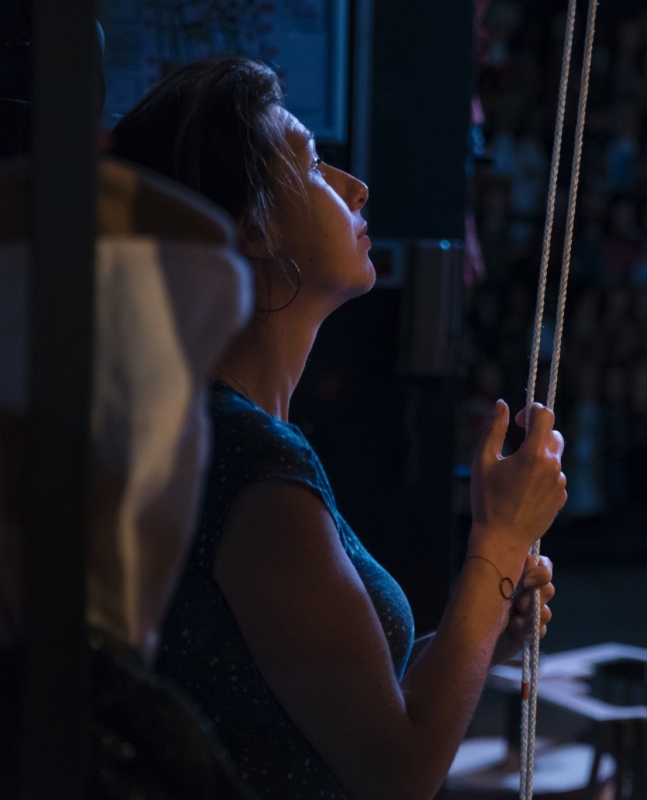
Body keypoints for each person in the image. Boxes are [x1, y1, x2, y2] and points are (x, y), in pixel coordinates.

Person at [110, 57, 567, 800]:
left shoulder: (221, 431)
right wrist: (501, 540)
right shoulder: (253, 464)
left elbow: (341, 710)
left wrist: (484, 623)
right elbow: (398, 771)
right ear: (254, 226)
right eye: (317, 164)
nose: (356, 187)